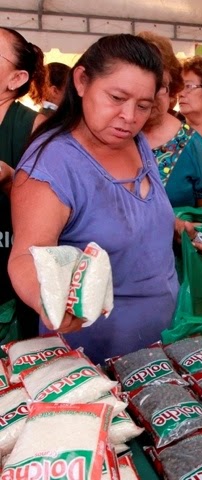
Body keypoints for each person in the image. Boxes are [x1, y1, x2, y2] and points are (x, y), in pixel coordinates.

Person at [7, 34, 202, 365]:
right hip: (91, 358)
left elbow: (128, 215)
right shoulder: (52, 163)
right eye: (117, 98)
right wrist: (50, 301)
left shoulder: (135, 142)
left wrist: (177, 226)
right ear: (81, 81)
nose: (129, 116)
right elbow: (25, 256)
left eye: (143, 105)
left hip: (159, 345)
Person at [138, 31, 202, 221]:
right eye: (138, 84)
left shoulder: (190, 144)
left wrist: (181, 221)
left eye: (158, 85)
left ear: (172, 90)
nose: (146, 95)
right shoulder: (113, 134)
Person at [0, 27, 47, 340]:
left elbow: (50, 205)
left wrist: (9, 179)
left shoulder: (34, 127)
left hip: (8, 288)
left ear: (15, 79)